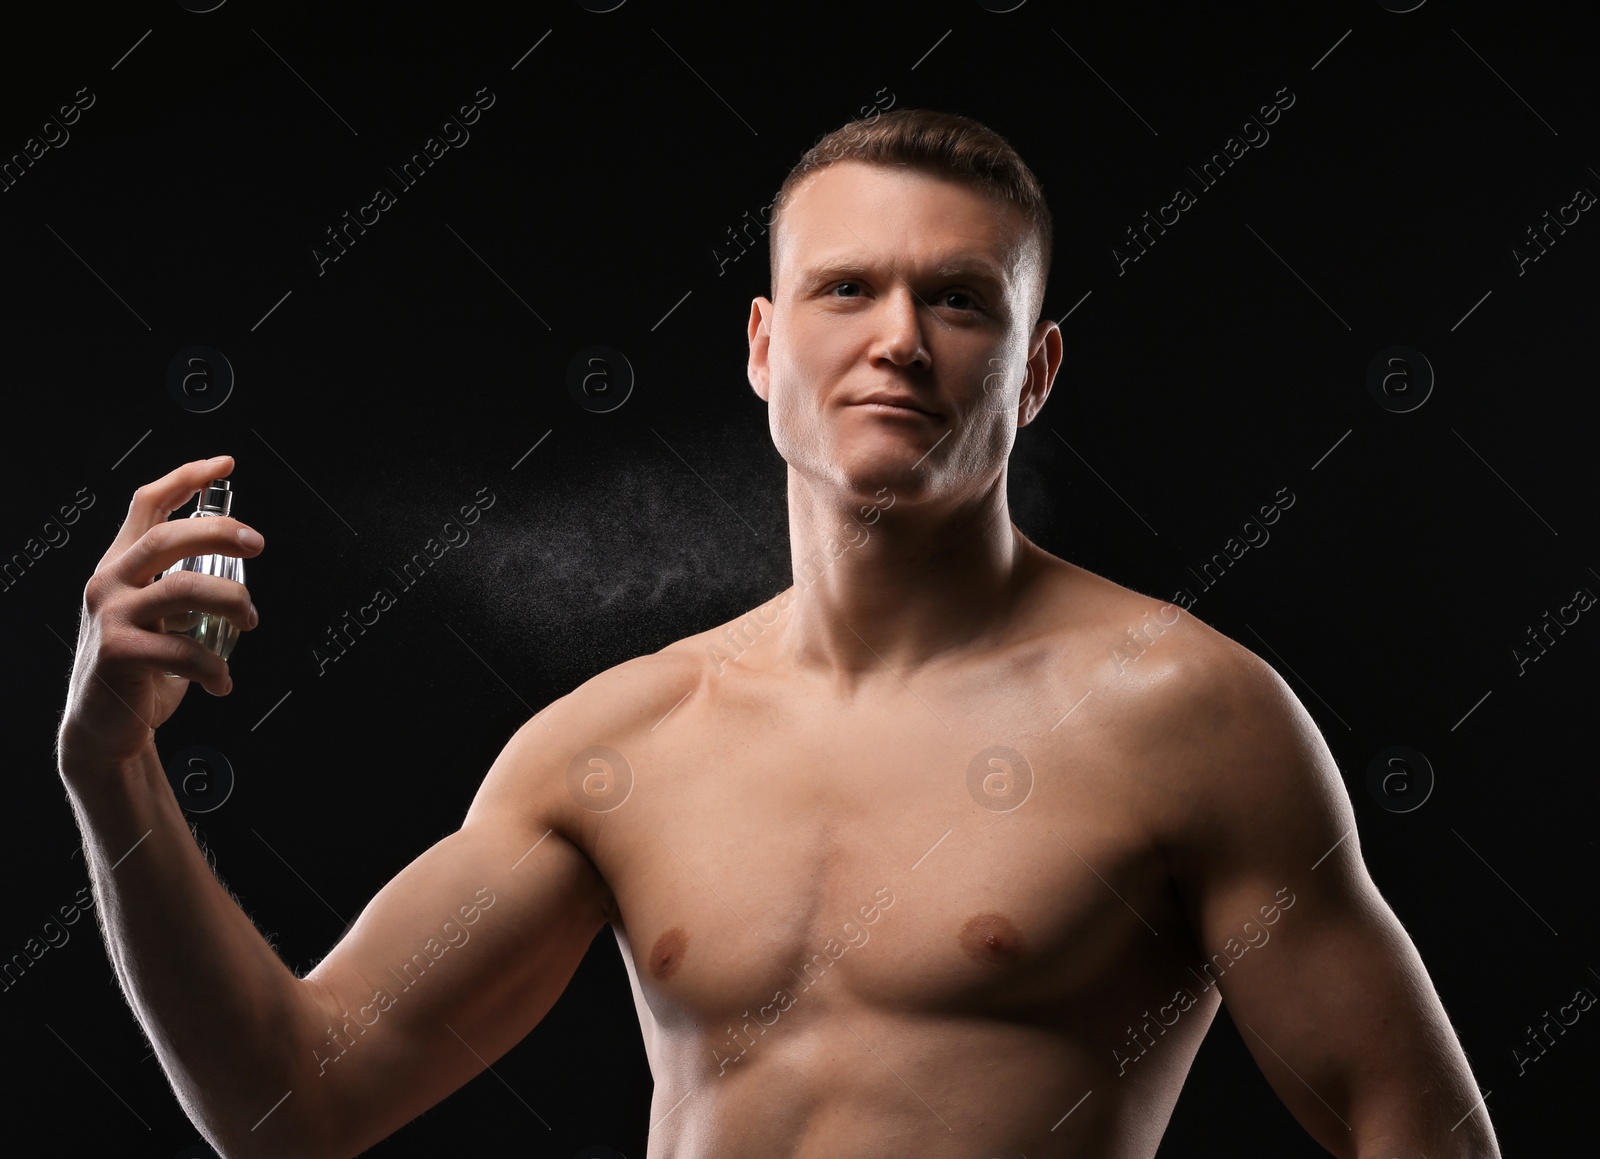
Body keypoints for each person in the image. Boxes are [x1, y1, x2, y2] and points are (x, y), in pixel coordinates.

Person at [56, 108, 1501, 1158]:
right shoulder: (619, 745)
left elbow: (1420, 1136)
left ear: (1035, 370)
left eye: (959, 300)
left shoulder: (1185, 717)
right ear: (761, 349)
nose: (898, 339)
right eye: (846, 288)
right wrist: (112, 777)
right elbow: (290, 1105)